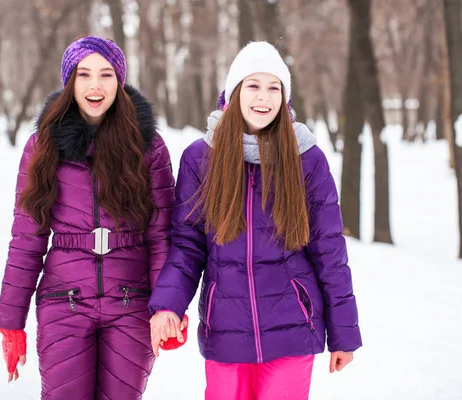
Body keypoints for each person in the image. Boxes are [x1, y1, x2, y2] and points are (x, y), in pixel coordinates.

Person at [148, 41, 362, 400]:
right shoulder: (201, 158)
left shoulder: (306, 158)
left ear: (284, 97)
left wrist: (344, 333)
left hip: (294, 329)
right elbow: (187, 245)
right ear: (233, 93)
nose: (263, 97)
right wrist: (168, 305)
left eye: (273, 87)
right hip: (225, 332)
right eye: (253, 85)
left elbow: (329, 251)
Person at [0, 36, 175, 399]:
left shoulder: (148, 146)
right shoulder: (43, 146)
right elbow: (26, 240)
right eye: (84, 75)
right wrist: (11, 323)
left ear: (119, 83)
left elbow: (161, 235)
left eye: (106, 75)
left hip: (131, 302)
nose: (95, 86)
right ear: (70, 82)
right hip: (64, 302)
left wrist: (165, 304)